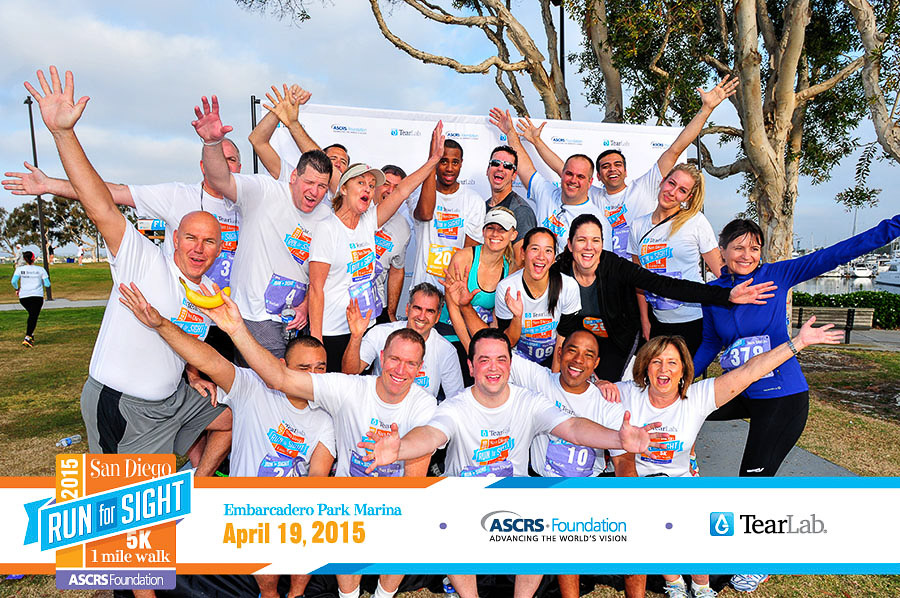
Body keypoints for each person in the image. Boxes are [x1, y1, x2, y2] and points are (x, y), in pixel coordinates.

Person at [24, 68, 231, 484]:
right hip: (125, 405)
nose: (199, 248)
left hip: (173, 398)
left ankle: (196, 484)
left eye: (209, 241)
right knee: (123, 501)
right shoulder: (143, 259)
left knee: (226, 419)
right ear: (175, 239)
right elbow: (100, 204)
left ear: (219, 248)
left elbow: (185, 340)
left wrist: (192, 373)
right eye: (191, 237)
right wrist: (63, 134)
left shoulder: (209, 291)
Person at [358, 327, 660, 598]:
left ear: (510, 365)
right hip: (465, 501)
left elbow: (573, 428)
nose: (493, 367)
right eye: (484, 360)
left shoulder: (528, 402)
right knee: (445, 516)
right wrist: (401, 448)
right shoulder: (455, 406)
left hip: (511, 499)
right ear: (471, 367)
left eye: (501, 359)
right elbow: (430, 435)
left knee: (544, 524)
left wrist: (617, 439)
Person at [190, 282, 437, 598]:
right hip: (341, 499)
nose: (400, 369)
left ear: (420, 368)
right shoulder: (347, 389)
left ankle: (382, 595)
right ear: (381, 357)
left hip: (391, 499)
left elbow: (421, 455)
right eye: (395, 359)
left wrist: (398, 450)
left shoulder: (423, 403)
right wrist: (236, 330)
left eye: (411, 363)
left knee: (409, 522)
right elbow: (276, 377)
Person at [117, 283, 335, 598]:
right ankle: (269, 593)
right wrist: (161, 324)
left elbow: (317, 477)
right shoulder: (254, 388)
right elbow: (209, 360)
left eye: (320, 368)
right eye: (304, 368)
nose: (312, 376)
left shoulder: (325, 416)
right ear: (283, 367)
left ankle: (295, 593)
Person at [608, 317, 842, 598]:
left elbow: (751, 370)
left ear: (684, 371)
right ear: (645, 367)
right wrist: (599, 385)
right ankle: (675, 583)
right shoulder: (625, 394)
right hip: (639, 482)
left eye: (672, 362)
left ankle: (701, 586)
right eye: (656, 361)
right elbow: (578, 390)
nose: (663, 368)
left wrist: (798, 342)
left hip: (681, 482)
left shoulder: (696, 397)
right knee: (655, 517)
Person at [513, 76, 738, 258]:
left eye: (617, 164)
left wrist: (706, 109)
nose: (612, 169)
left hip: (636, 271)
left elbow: (675, 149)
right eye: (605, 166)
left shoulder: (645, 187)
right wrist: (536, 141)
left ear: (626, 171)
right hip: (606, 272)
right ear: (597, 176)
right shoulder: (592, 196)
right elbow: (564, 169)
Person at [191, 91, 333, 361]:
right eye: (309, 182)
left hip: (295, 320)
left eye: (322, 186)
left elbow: (320, 275)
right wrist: (212, 143)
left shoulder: (326, 216)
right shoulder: (265, 191)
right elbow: (221, 180)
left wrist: (305, 305)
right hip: (256, 317)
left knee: (291, 380)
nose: (314, 192)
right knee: (263, 381)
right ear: (294, 176)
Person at [554, 214, 776, 382]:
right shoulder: (558, 273)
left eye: (595, 240)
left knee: (612, 391)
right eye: (581, 240)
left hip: (618, 339)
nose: (589, 247)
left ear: (602, 245)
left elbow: (665, 285)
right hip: (577, 340)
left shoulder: (614, 266)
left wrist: (726, 295)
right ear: (570, 245)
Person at [308, 122, 445, 370]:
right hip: (332, 331)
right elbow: (316, 288)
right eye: (361, 183)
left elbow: (402, 192)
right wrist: (316, 340)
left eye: (372, 185)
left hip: (364, 327)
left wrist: (433, 161)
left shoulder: (368, 221)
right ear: (344, 188)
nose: (368, 189)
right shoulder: (327, 228)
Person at [629, 163, 722, 353]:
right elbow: (638, 279)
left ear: (688, 198)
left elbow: (720, 272)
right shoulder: (637, 226)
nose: (672, 192)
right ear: (662, 181)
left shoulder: (696, 221)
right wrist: (645, 319)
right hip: (657, 322)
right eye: (671, 183)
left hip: (693, 320)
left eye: (682, 190)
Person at [489, 107, 609, 253]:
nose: (573, 180)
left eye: (580, 177)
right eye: (569, 174)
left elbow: (603, 262)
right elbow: (524, 167)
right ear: (562, 174)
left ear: (590, 182)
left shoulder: (597, 221)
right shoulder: (546, 193)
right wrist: (510, 133)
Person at [343, 283, 463, 400]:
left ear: (437, 317)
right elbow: (349, 374)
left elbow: (456, 400)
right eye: (417, 308)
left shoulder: (446, 350)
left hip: (421, 411)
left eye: (429, 311)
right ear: (407, 309)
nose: (422, 316)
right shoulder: (380, 333)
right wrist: (356, 337)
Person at [493, 228, 581, 368]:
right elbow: (508, 343)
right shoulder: (507, 288)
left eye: (548, 251)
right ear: (522, 253)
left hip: (552, 360)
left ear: (554, 257)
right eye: (535, 249)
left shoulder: (568, 286)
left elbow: (562, 341)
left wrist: (553, 378)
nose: (541, 256)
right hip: (517, 362)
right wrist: (517, 317)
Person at [407, 138, 486, 289]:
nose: (449, 168)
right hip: (422, 288)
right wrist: (432, 162)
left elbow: (469, 252)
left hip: (454, 289)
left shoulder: (474, 201)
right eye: (443, 161)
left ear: (461, 163)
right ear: (435, 162)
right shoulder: (418, 193)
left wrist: (454, 290)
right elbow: (425, 214)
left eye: (455, 162)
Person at [248, 83, 348, 194]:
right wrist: (281, 109)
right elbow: (257, 141)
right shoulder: (296, 179)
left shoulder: (346, 194)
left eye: (343, 162)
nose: (337, 163)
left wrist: (293, 124)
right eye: (332, 158)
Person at [372, 165, 412, 323]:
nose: (390, 191)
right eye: (386, 184)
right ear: (375, 185)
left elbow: (397, 270)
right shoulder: (358, 210)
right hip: (344, 301)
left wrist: (391, 312)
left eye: (397, 188)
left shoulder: (403, 227)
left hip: (376, 304)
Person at [484, 145, 536, 260]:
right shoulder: (481, 206)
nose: (500, 168)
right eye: (495, 163)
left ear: (514, 176)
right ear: (487, 170)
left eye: (507, 166)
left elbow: (520, 261)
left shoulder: (521, 211)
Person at [11, 250, 50, 347]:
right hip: (37, 296)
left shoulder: (20, 269)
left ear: (24, 259)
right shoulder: (40, 270)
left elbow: (13, 281)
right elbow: (47, 284)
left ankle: (30, 335)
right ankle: (28, 337)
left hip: (24, 297)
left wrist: (17, 289)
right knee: (33, 316)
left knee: (32, 315)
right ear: (34, 258)